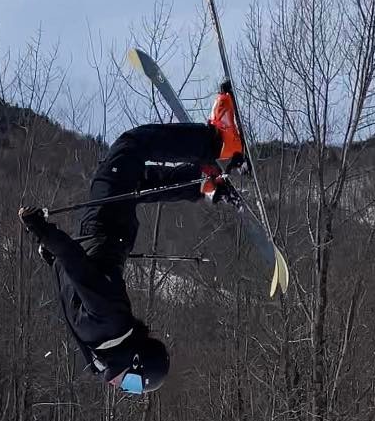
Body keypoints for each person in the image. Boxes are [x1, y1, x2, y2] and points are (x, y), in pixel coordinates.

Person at [19, 86, 246, 395]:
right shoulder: (108, 322)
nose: (121, 385)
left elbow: (69, 284)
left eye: (130, 387)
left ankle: (201, 184)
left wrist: (49, 254)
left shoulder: (100, 345)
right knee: (130, 147)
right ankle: (218, 141)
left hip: (110, 232)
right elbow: (78, 267)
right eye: (131, 382)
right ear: (135, 360)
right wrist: (44, 232)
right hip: (103, 225)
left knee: (133, 181)